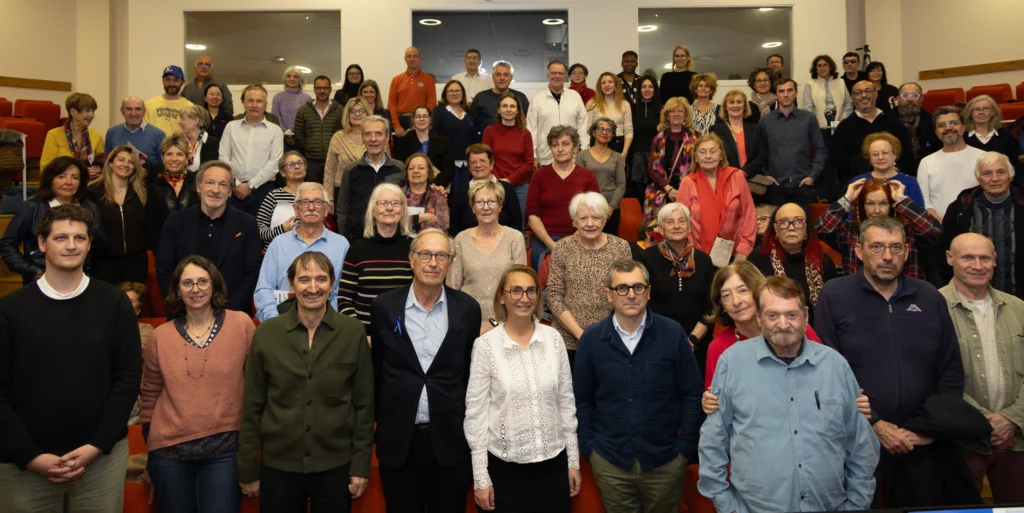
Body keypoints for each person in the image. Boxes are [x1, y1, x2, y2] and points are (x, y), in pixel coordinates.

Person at [814, 215, 965, 508]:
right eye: (877, 247)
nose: (887, 256)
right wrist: (875, 424)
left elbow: (950, 371)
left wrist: (926, 429)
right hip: (857, 443)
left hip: (921, 444)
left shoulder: (929, 297)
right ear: (859, 250)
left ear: (907, 252)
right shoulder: (835, 295)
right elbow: (826, 372)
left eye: (896, 248)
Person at [0, 204, 141, 513]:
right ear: (41, 243)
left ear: (90, 244)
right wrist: (30, 456)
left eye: (79, 238)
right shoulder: (10, 310)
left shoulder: (115, 302)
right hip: (24, 466)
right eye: (61, 237)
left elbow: (128, 379)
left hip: (100, 462)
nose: (71, 245)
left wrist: (95, 447)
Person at [698, 275, 880, 513]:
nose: (783, 324)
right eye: (772, 315)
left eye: (791, 315)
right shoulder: (732, 363)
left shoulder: (835, 365)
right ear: (760, 318)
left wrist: (856, 503)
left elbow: (861, 445)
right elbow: (713, 443)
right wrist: (729, 506)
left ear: (805, 317)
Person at [239, 252, 374, 512]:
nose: (313, 288)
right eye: (304, 279)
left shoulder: (353, 332)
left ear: (332, 284)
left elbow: (364, 406)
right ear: (291, 285)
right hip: (278, 466)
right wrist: (247, 468)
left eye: (321, 279)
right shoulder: (266, 334)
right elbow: (252, 405)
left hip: (335, 466)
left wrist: (360, 466)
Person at [573, 258, 703, 513]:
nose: (631, 295)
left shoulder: (672, 333)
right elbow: (582, 399)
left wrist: (685, 449)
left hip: (665, 462)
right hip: (610, 462)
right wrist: (590, 448)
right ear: (608, 295)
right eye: (622, 288)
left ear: (649, 292)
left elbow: (691, 393)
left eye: (638, 287)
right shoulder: (592, 339)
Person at [369, 228, 482, 511]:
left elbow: (469, 372)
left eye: (441, 255)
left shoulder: (467, 309)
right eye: (426, 254)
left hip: (450, 441)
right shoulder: (384, 307)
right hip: (399, 443)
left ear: (450, 262)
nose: (433, 262)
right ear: (411, 259)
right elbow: (379, 369)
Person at [140, 255, 255, 513]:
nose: (196, 289)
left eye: (203, 282)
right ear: (177, 290)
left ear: (214, 285)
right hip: (168, 453)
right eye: (187, 283)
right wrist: (149, 450)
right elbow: (149, 395)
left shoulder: (242, 325)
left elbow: (257, 387)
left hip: (224, 451)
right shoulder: (161, 336)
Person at [464, 265, 581, 512]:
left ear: (539, 296)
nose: (524, 298)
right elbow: (475, 415)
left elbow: (566, 403)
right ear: (501, 296)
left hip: (553, 468)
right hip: (505, 471)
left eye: (531, 291)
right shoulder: (485, 345)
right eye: (515, 291)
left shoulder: (553, 339)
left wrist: (573, 461)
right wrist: (481, 477)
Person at [940, 233, 1024, 504]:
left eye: (985, 258)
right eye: (968, 257)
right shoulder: (933, 307)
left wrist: (1012, 419)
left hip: (1016, 440)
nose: (977, 265)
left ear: (995, 262)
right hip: (960, 442)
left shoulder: (1019, 308)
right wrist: (982, 422)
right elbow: (931, 377)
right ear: (950, 259)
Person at [156, 161, 261, 314]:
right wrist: (183, 305)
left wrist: (228, 311)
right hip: (184, 313)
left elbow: (252, 273)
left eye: (223, 185)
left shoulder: (247, 224)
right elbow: (164, 270)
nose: (215, 190)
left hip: (232, 314)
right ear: (198, 187)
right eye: (210, 183)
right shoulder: (176, 221)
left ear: (231, 191)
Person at [702, 260, 824, 387]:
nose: (736, 301)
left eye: (743, 290)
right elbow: (716, 400)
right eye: (726, 295)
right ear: (721, 305)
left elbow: (825, 376)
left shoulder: (793, 329)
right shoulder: (718, 347)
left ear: (758, 292)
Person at [547, 192, 631, 362]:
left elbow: (626, 292)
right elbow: (554, 296)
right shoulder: (562, 248)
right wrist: (581, 335)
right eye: (583, 218)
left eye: (596, 217)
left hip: (611, 338)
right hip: (569, 340)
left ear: (605, 219)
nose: (590, 224)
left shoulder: (620, 248)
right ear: (574, 221)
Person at [817, 173, 941, 281]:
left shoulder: (907, 229)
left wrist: (903, 200)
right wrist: (847, 199)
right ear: (862, 205)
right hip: (860, 296)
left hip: (905, 297)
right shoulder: (851, 231)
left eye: (883, 203)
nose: (877, 210)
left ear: (892, 204)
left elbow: (934, 231)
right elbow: (820, 229)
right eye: (870, 203)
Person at [255, 182, 349, 321]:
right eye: (304, 202)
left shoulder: (341, 245)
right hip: (282, 323)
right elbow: (263, 289)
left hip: (327, 326)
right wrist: (275, 322)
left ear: (326, 209)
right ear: (296, 209)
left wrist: (327, 322)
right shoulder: (278, 244)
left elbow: (342, 294)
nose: (311, 207)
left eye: (318, 202)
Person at [0, 157, 101, 284]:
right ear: (50, 180)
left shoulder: (89, 208)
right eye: (62, 176)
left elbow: (97, 245)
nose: (69, 182)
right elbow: (7, 244)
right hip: (41, 281)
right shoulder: (32, 207)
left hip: (81, 280)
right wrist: (33, 271)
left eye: (75, 177)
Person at [639, 203, 715, 371]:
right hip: (655, 341)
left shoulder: (704, 260)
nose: (676, 226)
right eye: (670, 222)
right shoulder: (646, 258)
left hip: (697, 342)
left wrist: (692, 340)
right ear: (660, 228)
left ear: (689, 227)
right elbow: (640, 303)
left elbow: (711, 307)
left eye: (681, 221)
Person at [941, 151, 1024, 300]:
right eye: (987, 173)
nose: (995, 179)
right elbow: (945, 250)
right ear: (979, 178)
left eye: (1001, 172)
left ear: (1010, 175)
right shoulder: (960, 207)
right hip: (970, 296)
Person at [448, 179, 527, 331]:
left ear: (500, 205)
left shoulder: (515, 238)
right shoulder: (460, 240)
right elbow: (453, 289)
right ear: (472, 207)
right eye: (479, 202)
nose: (485, 208)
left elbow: (520, 288)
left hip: (506, 322)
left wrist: (495, 324)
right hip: (468, 322)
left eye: (491, 201)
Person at [338, 183, 414, 329]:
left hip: (405, 336)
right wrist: (358, 332)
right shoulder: (356, 250)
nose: (389, 208)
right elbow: (344, 299)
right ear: (373, 210)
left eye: (395, 203)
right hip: (364, 337)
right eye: (383, 203)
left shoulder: (413, 248)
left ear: (403, 210)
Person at [525, 126, 600, 270]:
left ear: (575, 148)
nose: (560, 149)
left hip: (581, 239)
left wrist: (573, 242)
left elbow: (596, 213)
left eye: (565, 144)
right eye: (555, 145)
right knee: (545, 291)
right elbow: (532, 214)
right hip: (544, 241)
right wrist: (552, 245)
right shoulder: (539, 176)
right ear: (550, 148)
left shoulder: (588, 176)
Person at [677, 133, 757, 264]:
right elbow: (682, 221)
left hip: (734, 253)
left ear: (721, 155)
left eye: (713, 151)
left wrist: (743, 250)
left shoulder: (736, 177)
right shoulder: (688, 182)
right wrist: (690, 252)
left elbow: (749, 214)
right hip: (698, 254)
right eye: (702, 152)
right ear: (695, 157)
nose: (708, 156)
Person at [749, 202, 837, 321]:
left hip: (816, 330)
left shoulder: (822, 260)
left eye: (798, 222)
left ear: (806, 229)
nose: (791, 228)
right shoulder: (757, 259)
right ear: (775, 229)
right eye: (784, 222)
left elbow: (833, 304)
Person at [831, 82, 915, 194]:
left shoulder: (893, 122)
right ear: (852, 97)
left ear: (876, 94)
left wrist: (893, 170)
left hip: (894, 184)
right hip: (859, 187)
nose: (864, 95)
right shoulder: (844, 127)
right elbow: (838, 159)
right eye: (858, 92)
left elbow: (907, 152)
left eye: (868, 91)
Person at [760, 78, 827, 214]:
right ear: (775, 96)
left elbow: (820, 150)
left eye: (789, 90)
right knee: (777, 228)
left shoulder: (809, 118)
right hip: (776, 186)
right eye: (781, 91)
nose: (786, 95)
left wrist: (812, 176)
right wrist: (765, 176)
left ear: (796, 93)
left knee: (804, 228)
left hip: (803, 185)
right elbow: (759, 152)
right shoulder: (766, 121)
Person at [219, 84, 284, 217]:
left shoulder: (275, 130)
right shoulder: (231, 127)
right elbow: (224, 157)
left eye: (259, 101)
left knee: (259, 233)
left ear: (265, 105)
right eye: (250, 100)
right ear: (243, 103)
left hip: (263, 189)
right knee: (231, 230)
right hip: (233, 189)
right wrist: (237, 184)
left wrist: (250, 185)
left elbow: (275, 163)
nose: (254, 105)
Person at [335, 116, 406, 239]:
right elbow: (342, 210)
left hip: (392, 237)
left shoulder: (399, 168)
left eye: (378, 134)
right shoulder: (351, 170)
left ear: (387, 137)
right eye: (368, 134)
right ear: (362, 138)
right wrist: (344, 238)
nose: (373, 139)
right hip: (357, 237)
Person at [88, 145, 149, 284]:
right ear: (110, 163)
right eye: (121, 160)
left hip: (136, 262)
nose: (126, 165)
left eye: (131, 162)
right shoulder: (93, 192)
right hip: (103, 262)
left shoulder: (142, 192)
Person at [918, 106, 986, 221]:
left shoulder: (983, 157)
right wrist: (942, 226)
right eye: (942, 125)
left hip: (978, 224)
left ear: (963, 127)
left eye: (953, 123)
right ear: (936, 132)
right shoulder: (927, 162)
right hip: (940, 227)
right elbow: (925, 201)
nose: (948, 128)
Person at [448, 143, 524, 235]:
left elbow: (516, 224)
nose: (478, 165)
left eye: (482, 161)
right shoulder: (461, 193)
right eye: (473, 162)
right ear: (469, 167)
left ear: (492, 164)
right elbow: (454, 228)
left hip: (504, 245)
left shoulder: (506, 189)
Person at [481, 92, 534, 218]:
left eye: (512, 106)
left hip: (520, 188)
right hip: (494, 185)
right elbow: (485, 159)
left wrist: (510, 180)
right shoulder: (490, 131)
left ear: (517, 111)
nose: (508, 109)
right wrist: (498, 180)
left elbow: (529, 163)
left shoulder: (525, 134)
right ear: (499, 110)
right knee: (494, 222)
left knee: (517, 225)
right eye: (504, 106)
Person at [145, 133, 201, 250]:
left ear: (187, 157)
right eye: (169, 154)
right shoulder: (154, 185)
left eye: (179, 154)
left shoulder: (197, 182)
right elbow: (151, 225)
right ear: (162, 157)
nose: (174, 159)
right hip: (163, 248)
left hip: (195, 247)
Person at [527, 61, 589, 166]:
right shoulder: (537, 98)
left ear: (565, 76)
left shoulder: (575, 97)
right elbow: (531, 129)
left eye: (560, 73)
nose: (557, 76)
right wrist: (532, 156)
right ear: (548, 75)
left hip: (572, 158)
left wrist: (584, 153)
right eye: (553, 73)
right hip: (545, 158)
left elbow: (583, 127)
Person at [644, 97, 697, 219]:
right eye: (672, 111)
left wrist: (682, 191)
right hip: (662, 188)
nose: (676, 114)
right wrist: (669, 189)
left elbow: (699, 168)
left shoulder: (695, 137)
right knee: (661, 227)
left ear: (686, 114)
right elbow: (651, 169)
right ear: (667, 115)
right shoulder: (658, 138)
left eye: (680, 111)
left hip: (689, 188)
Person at [576, 117, 627, 234]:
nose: (605, 132)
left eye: (609, 130)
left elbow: (621, 185)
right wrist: (586, 207)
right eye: (601, 129)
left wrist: (611, 207)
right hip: (587, 208)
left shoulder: (618, 157)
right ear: (593, 132)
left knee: (609, 245)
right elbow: (578, 183)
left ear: (612, 135)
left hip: (611, 209)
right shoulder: (581, 155)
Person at [849, 131, 925, 205]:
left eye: (885, 152)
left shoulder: (910, 182)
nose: (880, 157)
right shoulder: (858, 181)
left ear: (895, 154)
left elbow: (920, 215)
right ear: (869, 158)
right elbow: (851, 215)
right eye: (875, 154)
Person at [294, 75, 343, 185]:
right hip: (311, 162)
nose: (322, 91)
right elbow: (298, 136)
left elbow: (343, 134)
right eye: (319, 88)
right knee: (312, 193)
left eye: (325, 88)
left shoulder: (340, 110)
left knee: (331, 195)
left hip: (334, 161)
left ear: (330, 89)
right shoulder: (304, 110)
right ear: (314, 89)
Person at [710, 90, 768, 181]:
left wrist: (745, 172)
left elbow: (762, 155)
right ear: (725, 106)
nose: (736, 105)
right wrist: (732, 173)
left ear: (744, 106)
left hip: (752, 179)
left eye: (739, 102)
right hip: (726, 179)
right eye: (731, 102)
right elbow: (714, 156)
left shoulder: (756, 129)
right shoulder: (716, 130)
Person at [324, 98, 373, 205]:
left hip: (371, 192)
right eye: (353, 111)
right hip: (342, 193)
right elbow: (329, 170)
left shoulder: (375, 136)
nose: (357, 114)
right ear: (347, 114)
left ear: (368, 113)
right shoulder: (338, 137)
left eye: (361, 111)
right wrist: (329, 198)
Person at [393, 105, 455, 187]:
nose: (421, 119)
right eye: (418, 116)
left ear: (430, 119)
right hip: (410, 186)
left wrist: (435, 185)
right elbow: (399, 168)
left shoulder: (444, 142)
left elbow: (449, 169)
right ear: (413, 120)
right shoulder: (402, 143)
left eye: (425, 116)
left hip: (437, 187)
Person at [41, 92, 105, 171]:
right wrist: (82, 171)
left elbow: (103, 165)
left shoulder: (97, 136)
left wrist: (98, 169)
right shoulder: (54, 135)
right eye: (87, 110)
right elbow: (45, 168)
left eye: (93, 111)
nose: (92, 115)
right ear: (73, 112)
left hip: (90, 183)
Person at [256, 151, 306, 250]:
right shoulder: (274, 196)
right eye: (291, 165)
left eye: (300, 163)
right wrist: (281, 229)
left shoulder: (315, 193)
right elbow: (259, 231)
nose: (297, 167)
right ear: (283, 172)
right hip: (277, 251)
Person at [470, 61, 531, 139]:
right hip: (486, 146)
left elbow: (528, 123)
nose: (502, 78)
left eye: (505, 75)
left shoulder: (520, 98)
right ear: (493, 77)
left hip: (515, 144)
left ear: (511, 77)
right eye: (498, 74)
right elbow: (471, 125)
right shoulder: (480, 97)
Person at [433, 80, 475, 189]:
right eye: (451, 91)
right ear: (445, 94)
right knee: (452, 197)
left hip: (467, 163)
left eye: (457, 90)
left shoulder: (469, 112)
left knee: (466, 195)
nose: (454, 93)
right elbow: (435, 135)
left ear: (462, 93)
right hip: (448, 164)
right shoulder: (439, 111)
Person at [964, 94, 1021, 173]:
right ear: (970, 113)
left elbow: (1014, 166)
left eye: (986, 109)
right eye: (976, 109)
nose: (981, 112)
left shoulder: (1006, 136)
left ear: (993, 112)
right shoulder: (962, 138)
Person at [389, 47, 437, 137]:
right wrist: (396, 125)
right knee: (402, 150)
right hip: (401, 122)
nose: (412, 59)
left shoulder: (428, 79)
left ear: (420, 59)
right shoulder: (396, 80)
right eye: (409, 56)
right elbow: (392, 105)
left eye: (415, 56)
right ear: (405, 59)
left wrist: (425, 122)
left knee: (421, 150)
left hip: (421, 119)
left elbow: (431, 103)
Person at [895, 82, 941, 176]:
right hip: (896, 172)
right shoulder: (887, 121)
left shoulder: (933, 122)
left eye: (915, 95)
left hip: (929, 172)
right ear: (898, 99)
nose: (910, 99)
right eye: (905, 95)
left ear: (921, 99)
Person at [629, 75, 662, 198]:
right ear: (639, 89)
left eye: (650, 87)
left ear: (655, 89)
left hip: (657, 157)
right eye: (643, 87)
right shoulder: (631, 108)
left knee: (656, 194)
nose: (647, 90)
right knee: (639, 193)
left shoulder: (662, 110)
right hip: (637, 158)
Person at [105, 96, 166, 162]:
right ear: (122, 111)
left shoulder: (158, 135)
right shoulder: (112, 133)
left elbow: (163, 166)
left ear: (144, 111)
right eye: (129, 109)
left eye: (138, 109)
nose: (133, 113)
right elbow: (107, 163)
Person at [586, 72, 634, 156]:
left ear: (616, 85)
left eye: (610, 82)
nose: (607, 85)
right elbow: (587, 129)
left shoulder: (625, 104)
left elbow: (629, 131)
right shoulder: (592, 103)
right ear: (599, 86)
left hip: (618, 146)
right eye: (603, 83)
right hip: (597, 146)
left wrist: (624, 153)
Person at [403, 153, 450, 232]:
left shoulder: (437, 195)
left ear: (428, 173)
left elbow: (443, 225)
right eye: (411, 168)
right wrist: (422, 218)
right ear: (407, 173)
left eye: (421, 168)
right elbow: (393, 222)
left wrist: (408, 220)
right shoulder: (398, 194)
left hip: (429, 240)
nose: (415, 171)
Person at [145, 65, 194, 136]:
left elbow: (190, 132)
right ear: (163, 80)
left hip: (178, 146)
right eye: (168, 80)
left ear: (182, 82)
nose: (171, 84)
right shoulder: (149, 104)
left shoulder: (189, 107)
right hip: (154, 146)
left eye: (176, 80)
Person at [273, 66, 313, 151]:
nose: (292, 79)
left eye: (296, 76)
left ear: (300, 79)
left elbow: (309, 119)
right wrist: (286, 133)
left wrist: (297, 135)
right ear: (285, 79)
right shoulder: (277, 97)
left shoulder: (307, 98)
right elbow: (275, 117)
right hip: (282, 139)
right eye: (289, 76)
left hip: (302, 139)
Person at [178, 104, 221, 172]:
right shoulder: (180, 141)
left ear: (195, 121)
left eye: (183, 119)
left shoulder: (211, 143)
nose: (179, 122)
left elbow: (207, 171)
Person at [119, 281, 155, 354]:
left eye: (130, 301)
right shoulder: (104, 327)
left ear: (138, 310)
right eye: (120, 300)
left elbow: (132, 352)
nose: (124, 304)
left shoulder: (145, 329)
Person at [689, 72, 719, 136]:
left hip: (713, 144)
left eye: (707, 86)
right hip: (692, 145)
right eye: (700, 86)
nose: (703, 88)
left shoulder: (719, 109)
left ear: (711, 90)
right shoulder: (688, 109)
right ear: (695, 90)